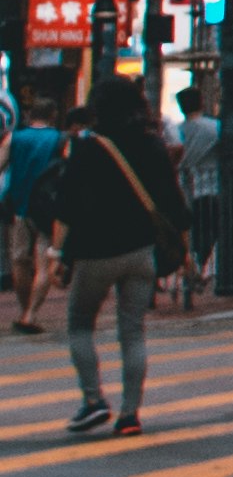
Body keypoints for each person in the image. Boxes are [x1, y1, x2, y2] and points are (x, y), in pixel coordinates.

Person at [55, 68, 184, 432]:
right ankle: (130, 414)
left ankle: (94, 400)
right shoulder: (151, 143)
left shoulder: (86, 148)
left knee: (80, 324)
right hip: (141, 250)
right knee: (132, 330)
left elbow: (66, 205)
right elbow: (172, 201)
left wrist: (57, 254)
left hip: (95, 251)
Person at [1, 81, 62, 332]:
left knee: (19, 259)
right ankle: (31, 313)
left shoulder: (14, 138)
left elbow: (1, 163)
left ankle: (25, 307)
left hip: (19, 206)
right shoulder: (59, 139)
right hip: (49, 209)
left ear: (28, 115)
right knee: (43, 261)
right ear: (52, 116)